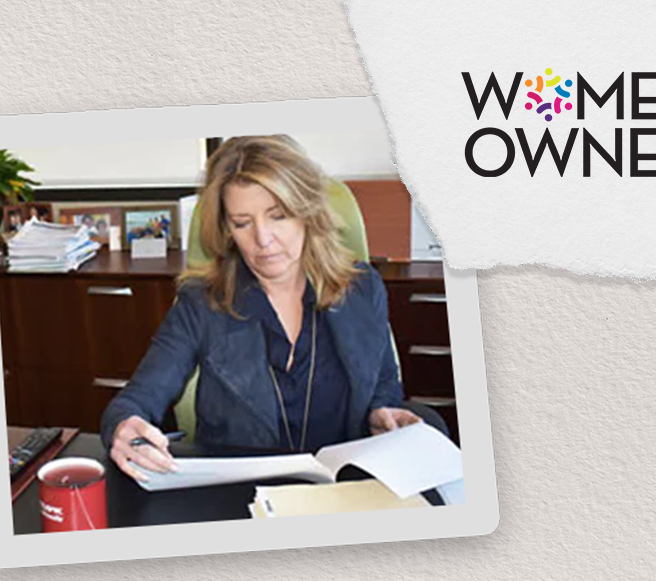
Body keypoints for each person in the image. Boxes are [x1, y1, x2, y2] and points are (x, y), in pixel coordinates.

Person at [103, 135, 423, 482]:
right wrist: (124, 426)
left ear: (307, 213)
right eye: (242, 223)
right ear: (227, 230)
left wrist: (382, 412)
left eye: (278, 216)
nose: (263, 240)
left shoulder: (362, 288)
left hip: (343, 488)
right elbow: (138, 399)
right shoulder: (201, 301)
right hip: (241, 494)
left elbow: (384, 384)